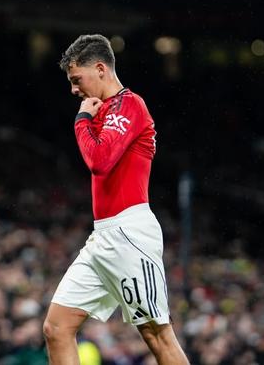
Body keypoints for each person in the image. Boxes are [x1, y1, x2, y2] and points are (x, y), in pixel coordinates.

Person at [43, 35, 189, 365]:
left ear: (100, 69)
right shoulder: (104, 110)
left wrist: (81, 120)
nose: (74, 90)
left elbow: (100, 161)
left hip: (129, 233)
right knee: (57, 327)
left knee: (157, 335)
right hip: (103, 236)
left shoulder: (130, 104)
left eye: (76, 79)